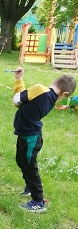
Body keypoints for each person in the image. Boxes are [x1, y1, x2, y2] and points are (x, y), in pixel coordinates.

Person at [13, 66, 76, 212]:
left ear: (53, 81)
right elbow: (24, 101)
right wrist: (19, 79)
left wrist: (19, 80)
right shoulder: (49, 98)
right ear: (65, 94)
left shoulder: (40, 89)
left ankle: (38, 201)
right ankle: (30, 187)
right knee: (21, 161)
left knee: (30, 167)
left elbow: (17, 100)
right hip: (26, 135)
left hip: (30, 138)